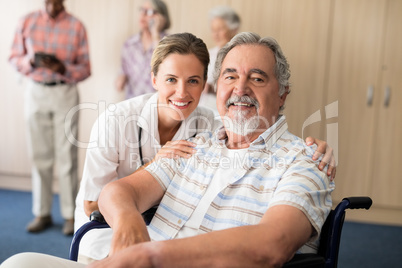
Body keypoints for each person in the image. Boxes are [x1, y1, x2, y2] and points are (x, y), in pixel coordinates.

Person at [0, 32, 335, 268]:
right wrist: (130, 219)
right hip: (127, 254)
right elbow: (114, 191)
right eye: (230, 76)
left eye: (258, 78)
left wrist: (149, 255)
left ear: (283, 94)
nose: (240, 88)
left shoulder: (305, 160)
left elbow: (270, 246)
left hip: (146, 259)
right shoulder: (198, 142)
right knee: (19, 262)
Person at [8, 0, 91, 235]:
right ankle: (42, 213)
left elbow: (86, 68)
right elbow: (13, 57)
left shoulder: (77, 26)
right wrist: (31, 61)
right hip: (36, 91)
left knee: (67, 157)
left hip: (64, 92)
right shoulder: (27, 21)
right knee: (39, 155)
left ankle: (69, 215)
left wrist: (63, 69)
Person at [115, 0, 171, 99]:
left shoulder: (170, 42)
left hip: (157, 103)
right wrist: (121, 79)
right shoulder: (129, 43)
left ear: (161, 18)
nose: (143, 15)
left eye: (149, 12)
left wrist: (155, 33)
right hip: (133, 104)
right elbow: (123, 71)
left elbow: (166, 67)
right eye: (142, 10)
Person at [199, 5, 240, 113]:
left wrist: (212, 89)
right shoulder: (207, 54)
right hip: (202, 110)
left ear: (234, 29)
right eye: (213, 30)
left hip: (225, 113)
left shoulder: (241, 57)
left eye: (220, 29)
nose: (216, 34)